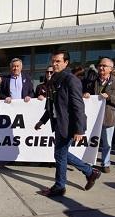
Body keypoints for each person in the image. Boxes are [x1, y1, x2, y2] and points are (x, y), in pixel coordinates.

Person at [34, 49, 101, 197]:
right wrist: (42, 121)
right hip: (58, 123)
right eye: (53, 61)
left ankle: (60, 186)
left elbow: (78, 106)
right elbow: (51, 105)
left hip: (69, 125)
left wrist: (79, 130)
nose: (54, 64)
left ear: (66, 62)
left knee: (59, 155)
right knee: (62, 154)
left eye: (58, 61)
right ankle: (90, 172)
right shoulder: (53, 79)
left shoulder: (71, 80)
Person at [82, 57, 115, 173]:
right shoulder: (92, 82)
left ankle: (105, 163)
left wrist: (109, 97)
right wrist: (85, 94)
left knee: (107, 143)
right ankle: (89, 161)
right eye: (100, 65)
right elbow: (86, 94)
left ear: (110, 69)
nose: (101, 67)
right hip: (93, 117)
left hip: (108, 117)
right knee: (91, 141)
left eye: (104, 66)